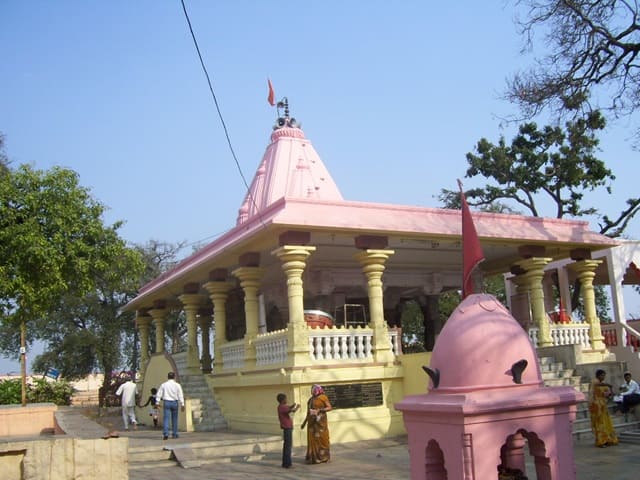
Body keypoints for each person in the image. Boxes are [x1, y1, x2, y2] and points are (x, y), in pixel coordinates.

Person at [588, 369, 618, 447]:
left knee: (606, 423)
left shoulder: (603, 385)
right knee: (599, 424)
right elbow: (597, 385)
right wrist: (608, 385)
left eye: (604, 375)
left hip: (603, 407)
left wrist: (611, 391)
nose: (603, 377)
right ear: (598, 376)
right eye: (602, 375)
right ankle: (601, 442)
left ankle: (607, 440)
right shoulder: (594, 381)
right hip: (596, 407)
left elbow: (608, 394)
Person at [304, 384, 333, 464]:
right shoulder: (310, 399)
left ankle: (324, 457)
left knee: (323, 439)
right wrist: (304, 422)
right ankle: (313, 458)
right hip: (312, 423)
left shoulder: (323, 397)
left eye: (314, 389)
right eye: (312, 389)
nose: (312, 391)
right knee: (313, 440)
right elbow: (308, 412)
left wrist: (320, 410)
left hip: (321, 423)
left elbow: (329, 407)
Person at [155, 372, 185, 440]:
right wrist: (182, 404)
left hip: (167, 402)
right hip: (175, 402)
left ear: (168, 377)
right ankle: (175, 434)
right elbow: (180, 394)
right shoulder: (177, 385)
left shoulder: (164, 385)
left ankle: (166, 433)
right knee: (175, 419)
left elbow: (159, 394)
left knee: (166, 419)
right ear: (174, 377)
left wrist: (157, 402)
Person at [277, 393, 300, 469]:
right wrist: (297, 407)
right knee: (288, 446)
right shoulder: (282, 407)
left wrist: (292, 405)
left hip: (286, 427)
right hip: (287, 428)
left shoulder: (280, 406)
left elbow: (289, 408)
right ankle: (288, 464)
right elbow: (292, 411)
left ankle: (285, 463)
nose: (286, 400)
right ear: (282, 400)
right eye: (285, 399)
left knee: (286, 446)